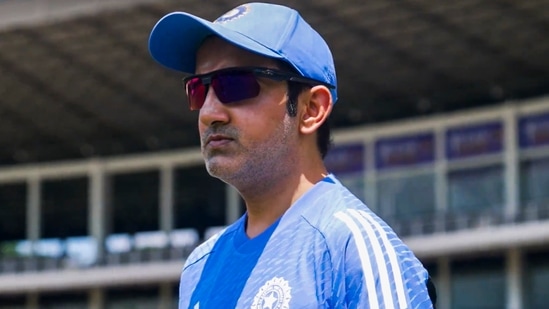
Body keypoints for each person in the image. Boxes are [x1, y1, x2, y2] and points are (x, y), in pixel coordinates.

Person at [149, 2, 436, 308]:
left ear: (311, 110)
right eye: (198, 89)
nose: (209, 112)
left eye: (235, 85)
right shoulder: (199, 267)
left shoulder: (350, 246)